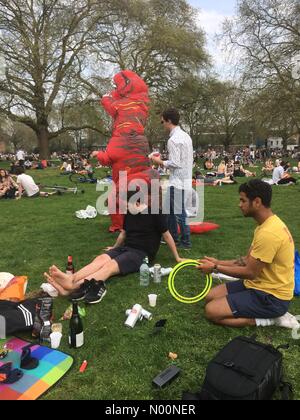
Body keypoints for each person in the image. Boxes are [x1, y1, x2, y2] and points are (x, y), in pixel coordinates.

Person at [44, 190, 185, 303]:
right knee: (101, 259)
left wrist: (177, 257)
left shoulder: (156, 213)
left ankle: (73, 286)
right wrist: (114, 248)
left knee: (109, 266)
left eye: (125, 204)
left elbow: (167, 236)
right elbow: (123, 234)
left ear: (136, 203)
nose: (122, 208)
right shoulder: (130, 213)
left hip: (141, 254)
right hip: (126, 248)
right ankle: (72, 278)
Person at [198, 179, 298, 329]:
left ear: (257, 202)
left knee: (211, 311)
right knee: (210, 297)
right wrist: (218, 262)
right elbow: (246, 260)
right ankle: (264, 313)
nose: (239, 204)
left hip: (273, 297)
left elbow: (250, 272)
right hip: (259, 285)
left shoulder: (270, 233)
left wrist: (215, 268)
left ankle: (270, 319)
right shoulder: (265, 225)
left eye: (243, 200)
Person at [151, 108, 193, 250]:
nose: (162, 124)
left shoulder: (173, 139)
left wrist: (159, 161)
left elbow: (175, 163)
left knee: (179, 212)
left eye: (162, 121)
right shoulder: (186, 136)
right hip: (184, 178)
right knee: (169, 210)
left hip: (178, 180)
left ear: (169, 121)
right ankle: (172, 238)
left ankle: (185, 242)